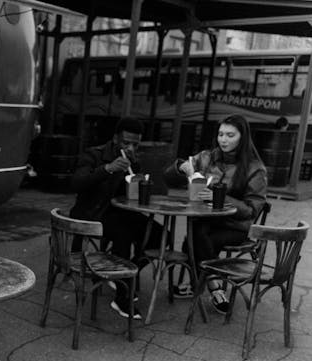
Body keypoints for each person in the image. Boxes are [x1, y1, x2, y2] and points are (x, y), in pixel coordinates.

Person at [164, 114, 267, 313]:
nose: (224, 140)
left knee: (194, 239)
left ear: (242, 137)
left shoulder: (255, 168)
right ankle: (215, 286)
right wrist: (179, 168)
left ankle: (201, 283)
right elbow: (169, 179)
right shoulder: (206, 157)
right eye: (221, 134)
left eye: (230, 135)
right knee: (197, 231)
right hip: (206, 221)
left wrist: (218, 198)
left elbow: (252, 209)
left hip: (236, 227)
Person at [69, 116, 163, 320]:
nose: (130, 147)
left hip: (118, 212)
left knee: (159, 235)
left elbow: (128, 195)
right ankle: (122, 296)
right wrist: (108, 168)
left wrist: (137, 179)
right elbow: (76, 183)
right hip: (93, 213)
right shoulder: (94, 154)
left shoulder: (133, 162)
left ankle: (128, 272)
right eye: (125, 142)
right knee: (124, 235)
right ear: (115, 139)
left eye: (135, 144)